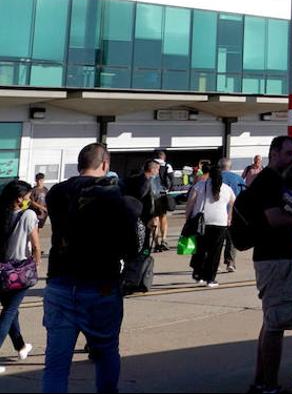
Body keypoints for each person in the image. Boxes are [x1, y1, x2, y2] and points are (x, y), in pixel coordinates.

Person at [43, 143, 140, 394]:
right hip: (101, 283)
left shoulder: (56, 193)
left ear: (79, 164)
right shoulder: (115, 196)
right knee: (106, 352)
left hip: (60, 282)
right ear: (106, 165)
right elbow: (132, 243)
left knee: (56, 363)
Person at [242, 135, 292, 394]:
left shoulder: (276, 181)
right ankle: (269, 385)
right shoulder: (269, 181)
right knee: (276, 325)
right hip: (276, 259)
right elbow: (275, 219)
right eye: (289, 153)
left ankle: (261, 380)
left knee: (271, 322)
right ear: (274, 153)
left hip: (276, 258)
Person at [0, 180, 39, 371]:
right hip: (19, 272)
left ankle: (21, 346)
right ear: (19, 199)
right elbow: (37, 247)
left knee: (11, 310)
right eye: (28, 196)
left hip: (1, 271)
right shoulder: (28, 214)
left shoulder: (1, 213)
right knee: (8, 312)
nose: (29, 199)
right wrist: (36, 263)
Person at [186, 165, 235, 288]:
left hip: (202, 221)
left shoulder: (200, 186)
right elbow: (233, 202)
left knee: (200, 249)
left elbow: (190, 202)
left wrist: (188, 217)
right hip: (220, 222)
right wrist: (229, 216)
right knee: (215, 252)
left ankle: (198, 273)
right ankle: (210, 279)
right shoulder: (226, 188)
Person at [219, 158, 246, 273]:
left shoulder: (214, 178)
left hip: (217, 212)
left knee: (217, 240)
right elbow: (243, 196)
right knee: (232, 240)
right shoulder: (238, 179)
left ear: (219, 166)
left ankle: (215, 263)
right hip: (233, 212)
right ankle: (230, 262)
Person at [151, 150, 173, 252]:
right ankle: (163, 240)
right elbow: (171, 181)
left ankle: (155, 243)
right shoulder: (167, 166)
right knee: (163, 217)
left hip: (151, 195)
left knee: (154, 219)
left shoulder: (149, 164)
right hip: (162, 195)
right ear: (163, 157)